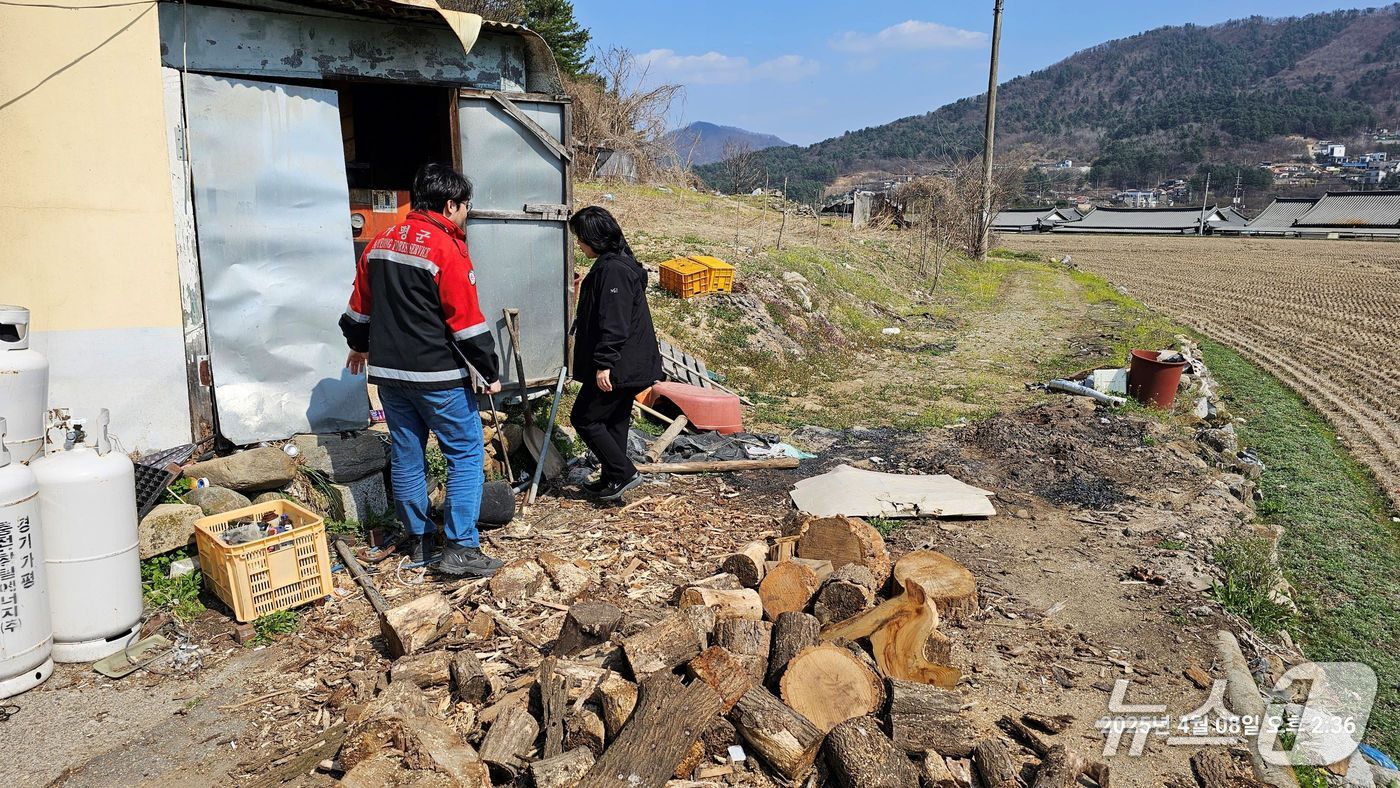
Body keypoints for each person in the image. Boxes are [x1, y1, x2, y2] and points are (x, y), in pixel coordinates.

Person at [339, 163, 505, 578]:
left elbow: (358, 309)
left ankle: (420, 540)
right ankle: (462, 547)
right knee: (465, 454)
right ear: (451, 205)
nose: (466, 214)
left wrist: (359, 347)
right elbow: (466, 322)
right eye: (466, 206)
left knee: (408, 455)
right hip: (438, 377)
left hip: (390, 377)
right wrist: (488, 369)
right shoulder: (446, 248)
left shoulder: (379, 242)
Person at [568, 206, 663, 501]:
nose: (579, 245)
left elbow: (615, 322)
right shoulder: (618, 263)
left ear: (594, 238)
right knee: (614, 421)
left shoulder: (614, 270)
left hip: (621, 364)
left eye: (580, 238)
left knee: (584, 418)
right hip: (631, 364)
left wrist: (604, 363)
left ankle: (623, 472)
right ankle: (613, 479)